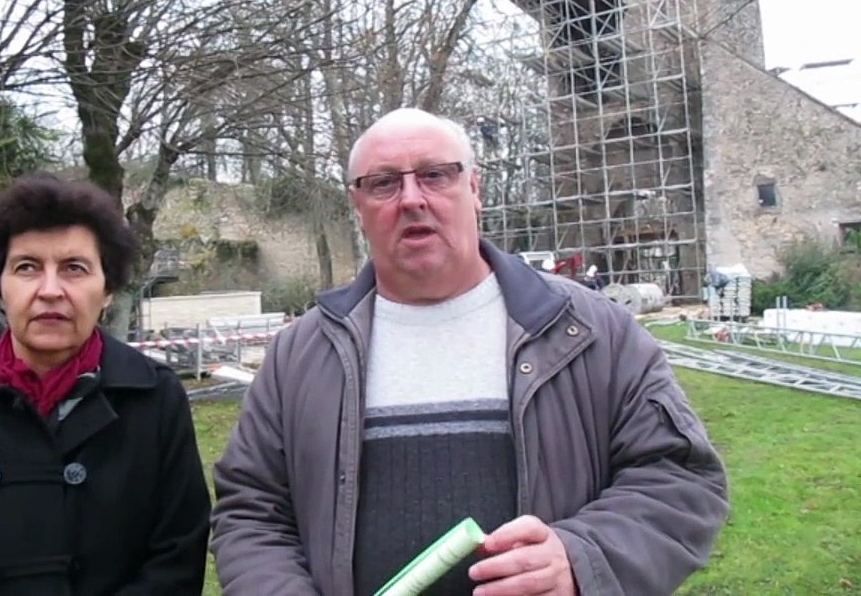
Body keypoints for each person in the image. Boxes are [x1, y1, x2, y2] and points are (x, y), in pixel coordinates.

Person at [209, 108, 729, 595]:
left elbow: (681, 478)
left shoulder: (592, 332)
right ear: (357, 206)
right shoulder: (299, 355)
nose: (411, 198)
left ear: (474, 187)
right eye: (384, 182)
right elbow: (251, 513)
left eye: (435, 174)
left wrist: (580, 557)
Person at [0, 174, 210, 594]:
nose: (50, 290)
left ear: (107, 290)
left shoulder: (153, 398)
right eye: (27, 267)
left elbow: (176, 561)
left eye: (74, 268)